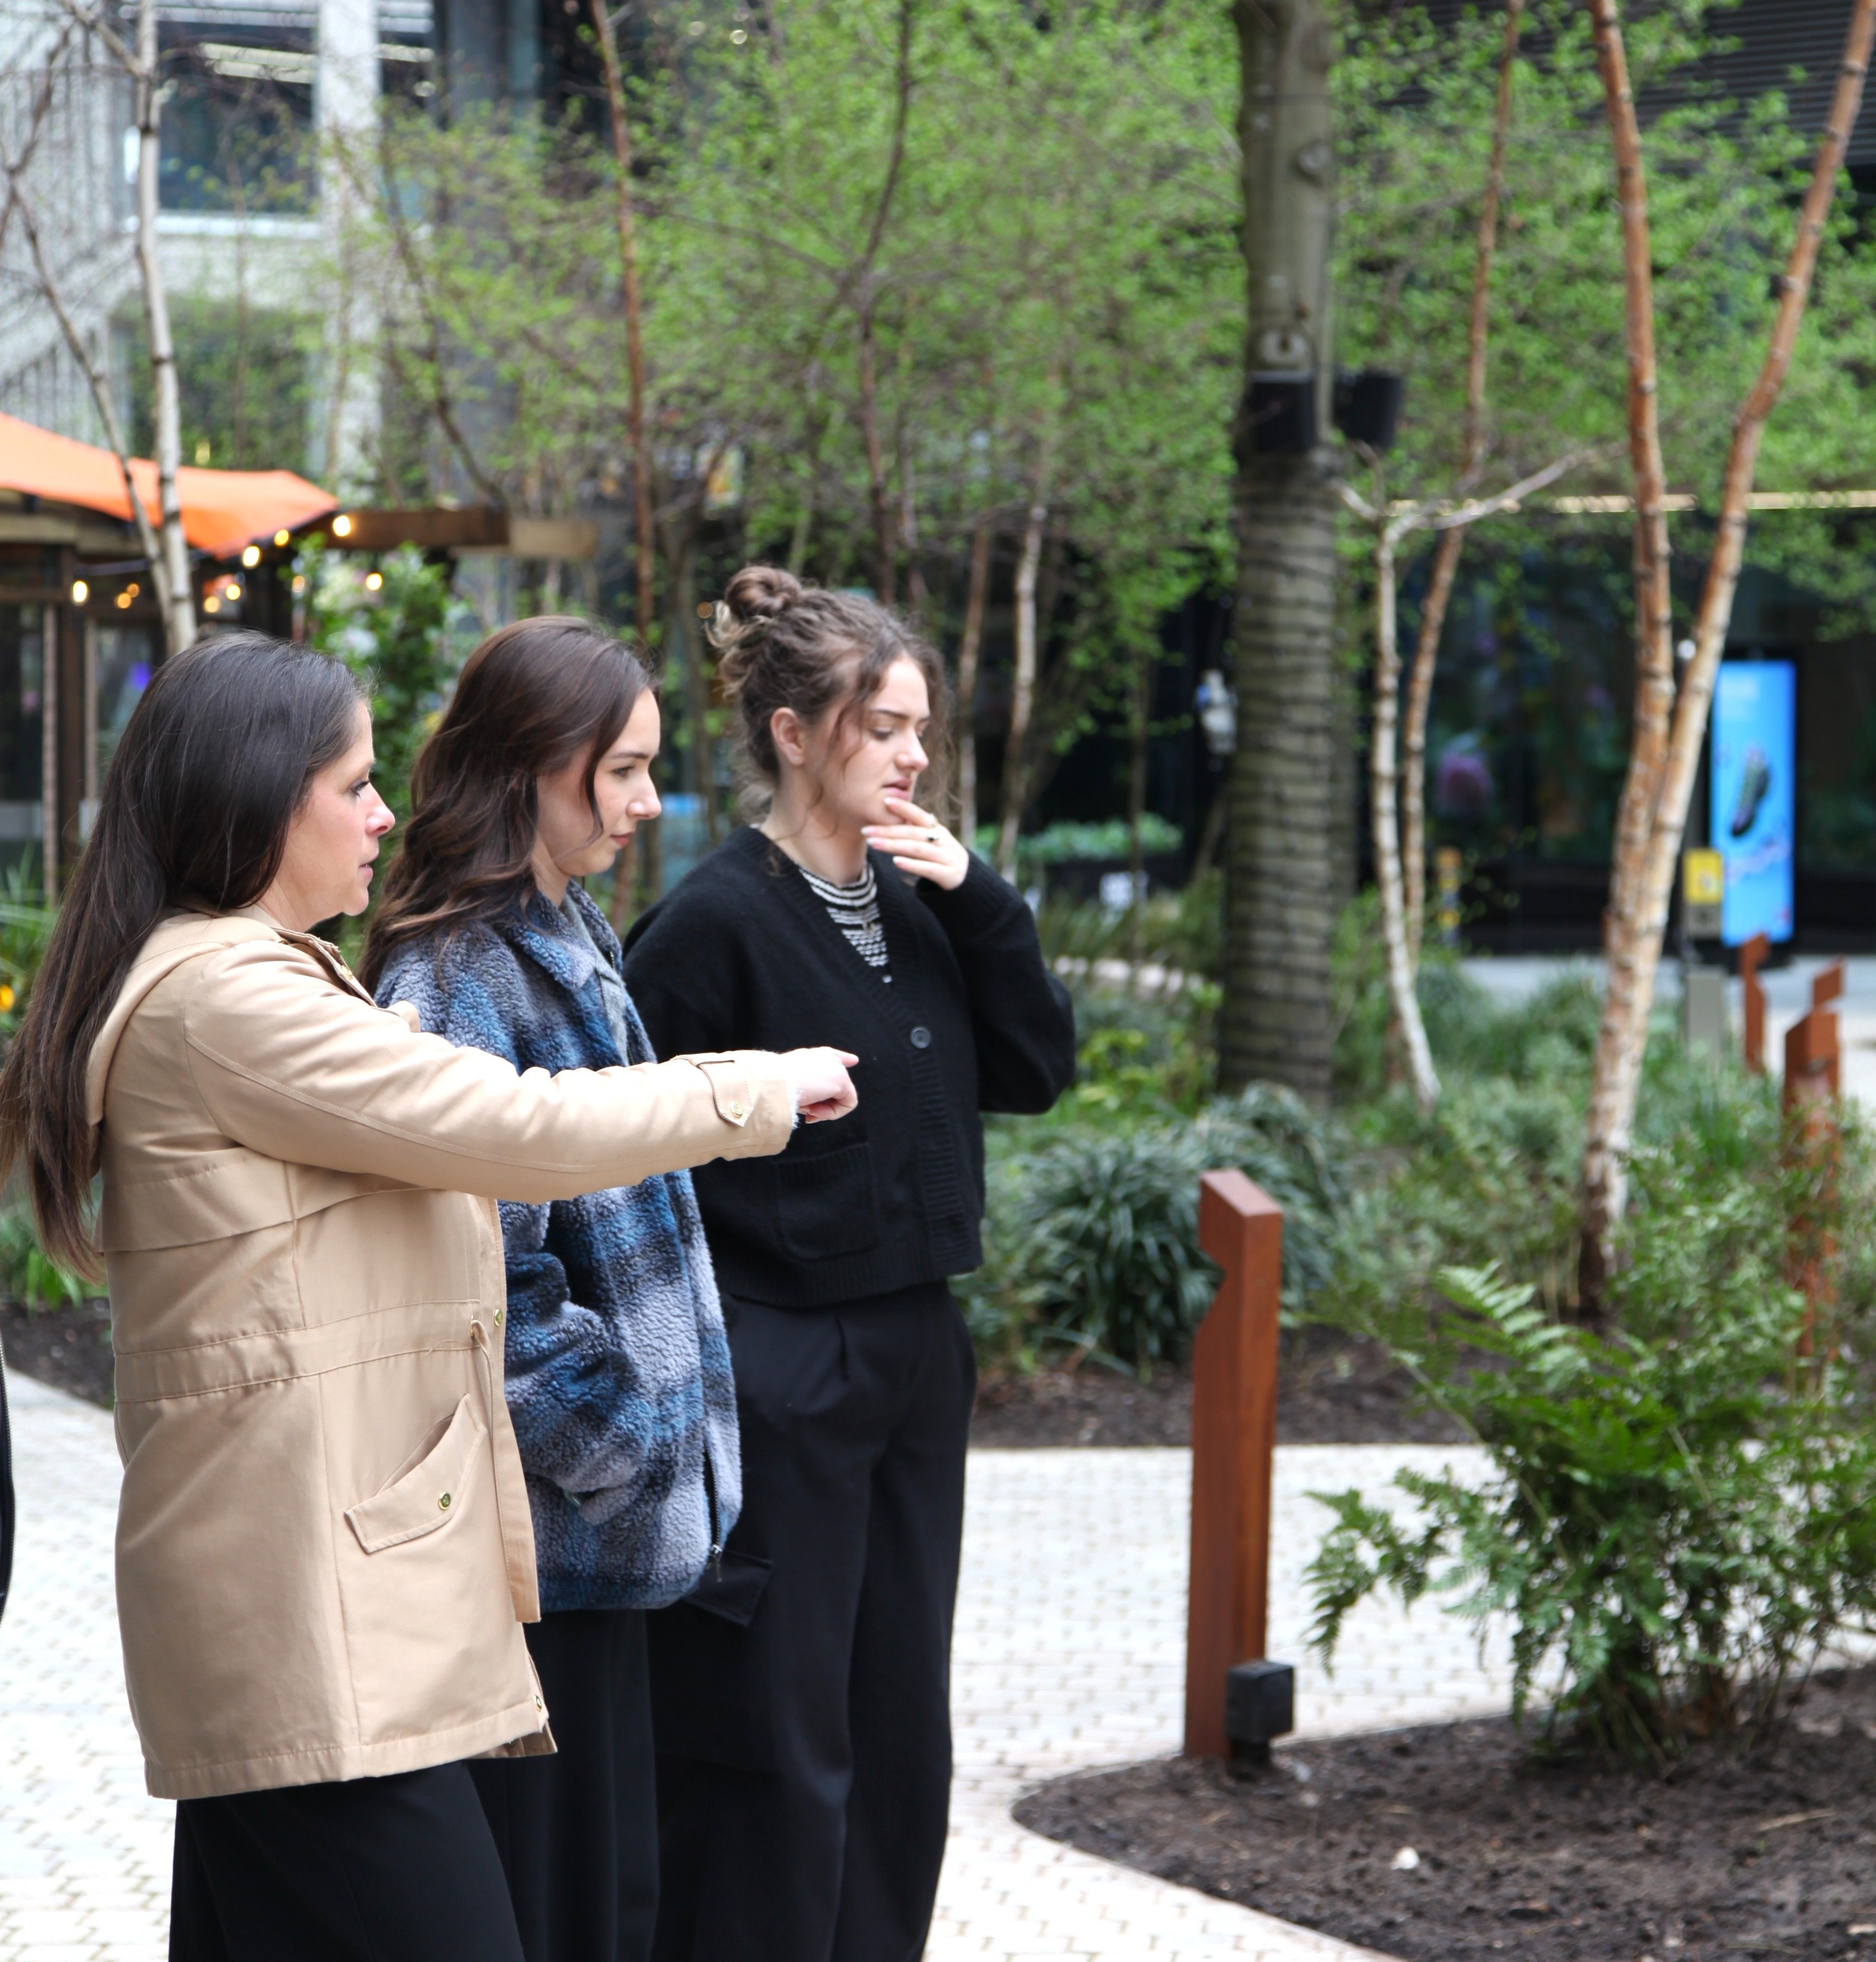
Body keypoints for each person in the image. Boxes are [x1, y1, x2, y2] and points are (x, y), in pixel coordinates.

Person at [0, 630, 857, 1962]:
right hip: (302, 1614)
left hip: (302, 1604)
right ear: (257, 798)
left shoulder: (245, 976)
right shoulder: (229, 997)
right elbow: (506, 1121)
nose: (383, 810)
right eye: (351, 784)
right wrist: (754, 1087)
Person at [621, 567, 1077, 1962]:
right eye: (884, 725)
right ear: (793, 732)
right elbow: (628, 1146)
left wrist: (985, 899)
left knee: (896, 1723)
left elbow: (1039, 1067)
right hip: (782, 1359)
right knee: (778, 1728)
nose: (914, 754)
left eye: (919, 726)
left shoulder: (924, 897)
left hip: (913, 1357)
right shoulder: (711, 921)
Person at [361, 618, 734, 1962]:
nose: (647, 800)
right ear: (534, 766)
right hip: (544, 1563)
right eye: (623, 769)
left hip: (589, 1558)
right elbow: (483, 1284)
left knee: (602, 1904)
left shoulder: (557, 928)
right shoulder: (460, 967)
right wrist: (629, 1450)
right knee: (565, 1909)